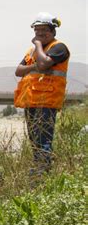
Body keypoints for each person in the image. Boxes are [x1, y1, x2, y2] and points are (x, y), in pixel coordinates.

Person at [14, 12, 69, 174]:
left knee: (43, 141)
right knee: (35, 142)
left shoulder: (59, 47)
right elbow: (18, 71)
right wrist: (34, 66)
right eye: (36, 30)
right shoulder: (31, 52)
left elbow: (44, 64)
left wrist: (38, 45)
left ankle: (41, 174)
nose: (39, 34)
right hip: (31, 102)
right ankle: (38, 172)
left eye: (44, 30)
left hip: (47, 102)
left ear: (53, 31)